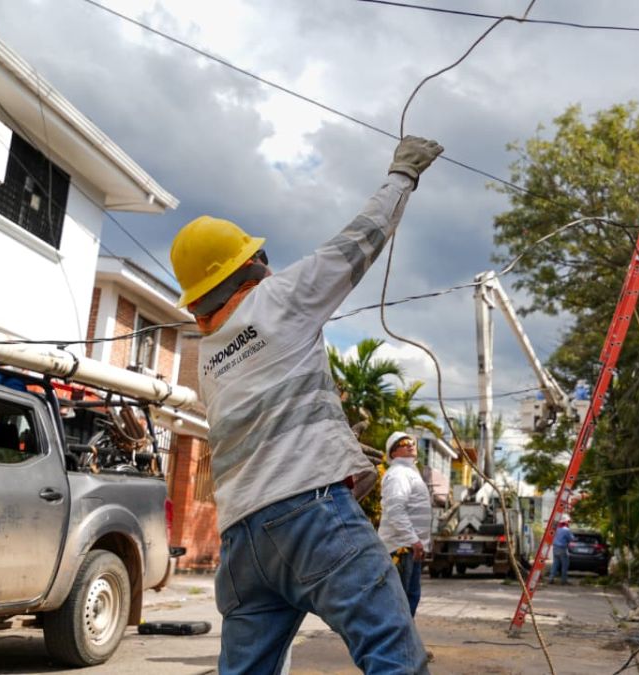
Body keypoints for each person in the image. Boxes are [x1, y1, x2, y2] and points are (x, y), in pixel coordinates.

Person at [169, 135, 443, 675]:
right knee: (393, 651)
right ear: (253, 266)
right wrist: (403, 175)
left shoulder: (209, 357)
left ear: (198, 299)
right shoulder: (279, 299)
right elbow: (357, 242)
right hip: (311, 515)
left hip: (243, 542)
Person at [379, 431, 432, 617]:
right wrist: (413, 540)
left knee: (409, 599)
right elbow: (395, 510)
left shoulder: (410, 472)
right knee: (400, 602)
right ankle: (398, 636)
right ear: (393, 453)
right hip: (401, 548)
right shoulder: (398, 474)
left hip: (410, 547)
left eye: (412, 442)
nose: (410, 445)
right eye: (403, 443)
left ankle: (405, 636)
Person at [548, 519, 575, 585]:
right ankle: (563, 580)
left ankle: (551, 579)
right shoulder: (566, 530)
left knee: (555, 564)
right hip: (562, 549)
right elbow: (571, 539)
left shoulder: (556, 529)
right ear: (566, 523)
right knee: (564, 565)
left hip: (555, 548)